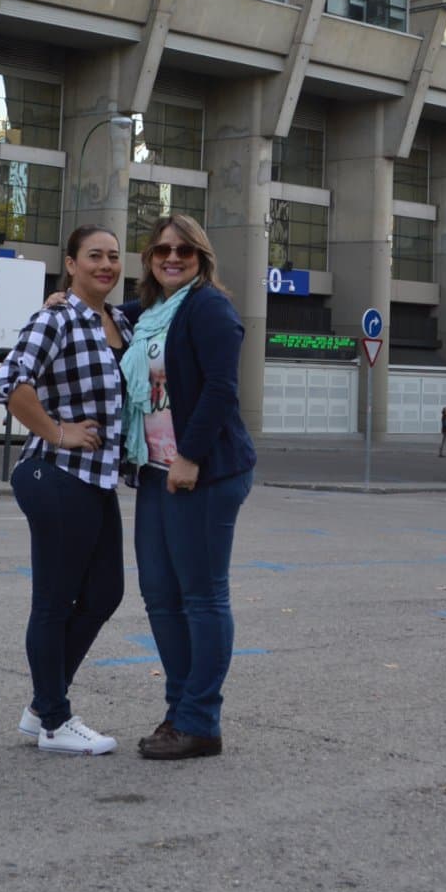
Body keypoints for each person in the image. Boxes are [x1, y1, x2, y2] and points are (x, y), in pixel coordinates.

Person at [124, 214, 256, 761]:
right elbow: (101, 315)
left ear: (201, 258)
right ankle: (180, 710)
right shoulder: (149, 313)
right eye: (162, 250)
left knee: (201, 596)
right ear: (150, 260)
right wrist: (64, 299)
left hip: (203, 470)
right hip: (155, 469)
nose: (173, 258)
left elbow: (221, 389)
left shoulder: (209, 308)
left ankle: (200, 721)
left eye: (184, 250)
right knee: (159, 594)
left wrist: (190, 455)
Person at [0, 224, 133, 755]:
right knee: (54, 601)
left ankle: (41, 707)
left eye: (114, 256)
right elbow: (11, 383)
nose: (106, 265)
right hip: (55, 473)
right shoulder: (55, 318)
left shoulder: (121, 321)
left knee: (105, 593)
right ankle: (55, 721)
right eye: (94, 256)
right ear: (71, 264)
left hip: (97, 479)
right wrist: (58, 431)